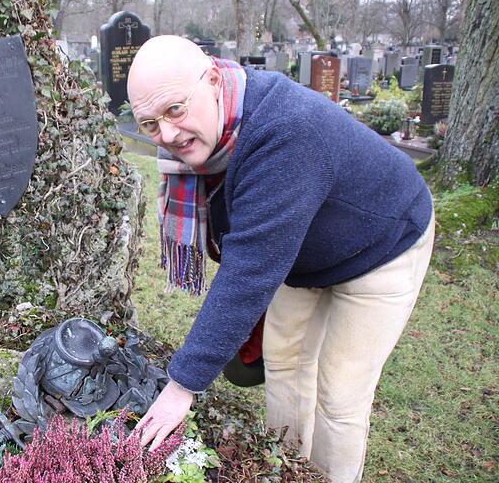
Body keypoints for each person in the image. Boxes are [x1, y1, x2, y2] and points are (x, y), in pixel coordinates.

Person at [126, 35, 434, 483]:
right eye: (150, 124)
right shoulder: (216, 128)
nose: (167, 135)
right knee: (284, 361)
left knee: (339, 394)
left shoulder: (284, 130)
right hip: (302, 251)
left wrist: (182, 385)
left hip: (383, 242)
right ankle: (288, 470)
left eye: (175, 109)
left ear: (213, 80)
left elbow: (250, 269)